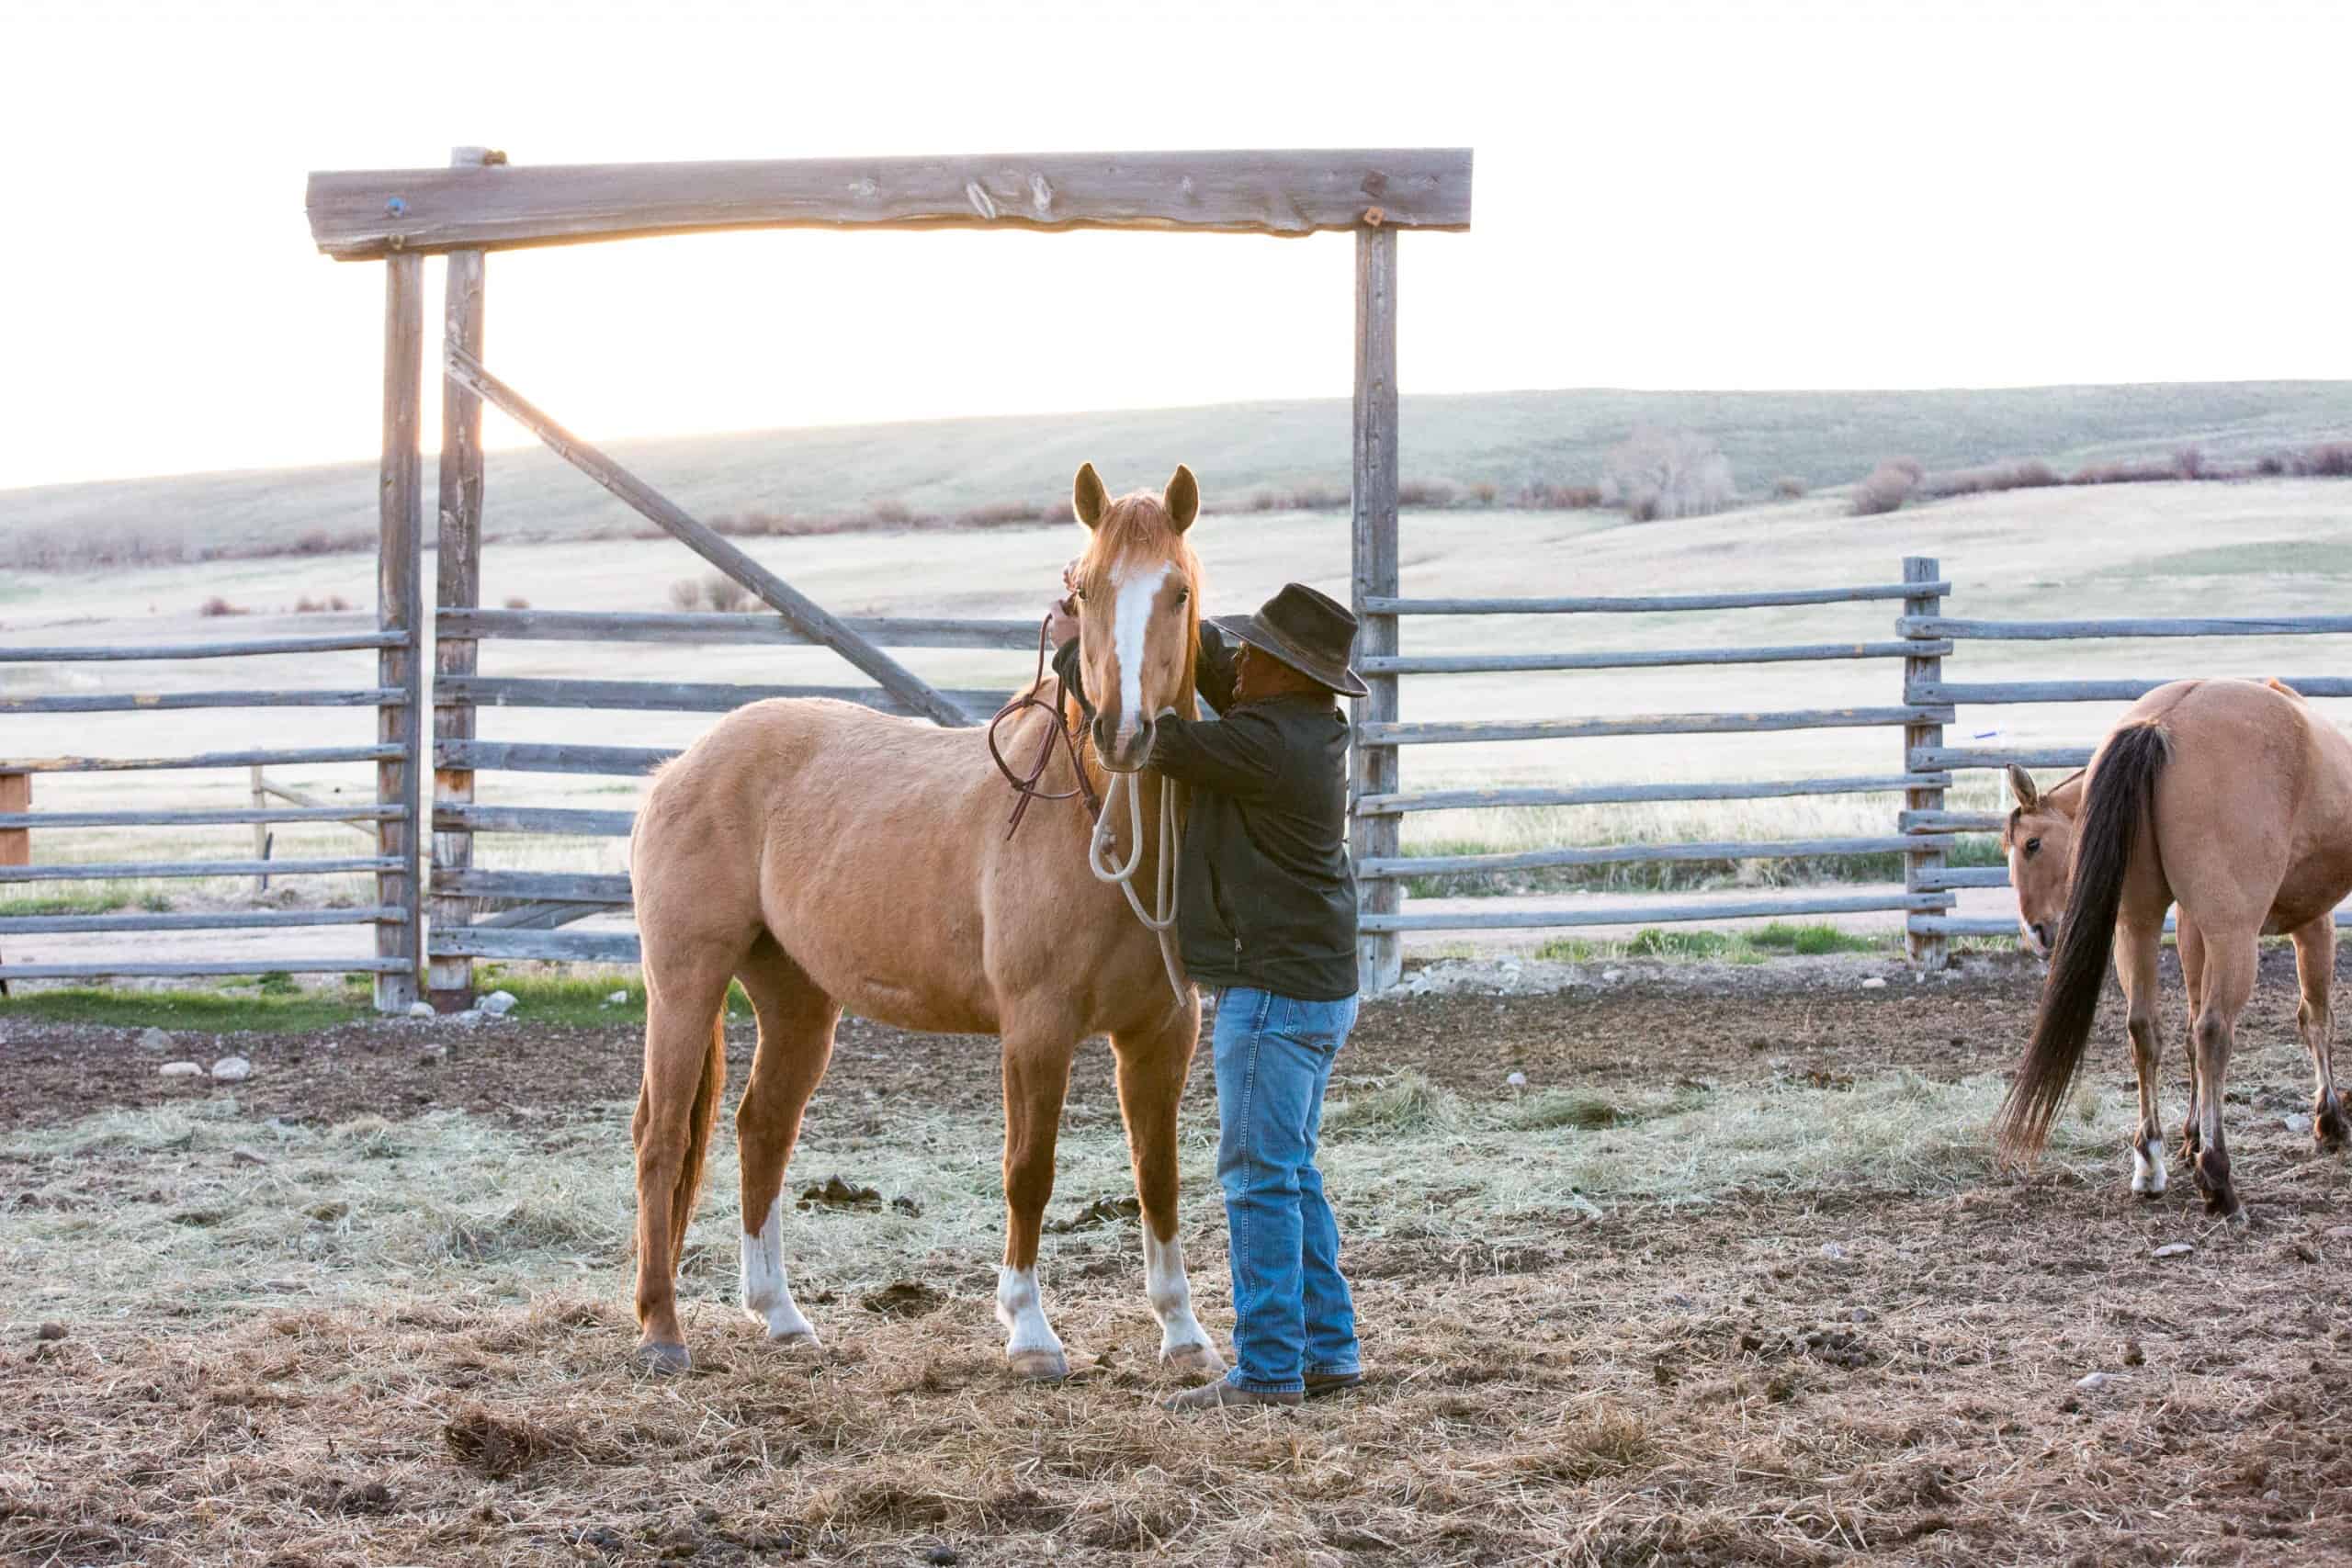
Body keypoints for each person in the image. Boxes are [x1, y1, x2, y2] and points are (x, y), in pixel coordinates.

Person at [1046, 578, 1370, 1411]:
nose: (1243, 662)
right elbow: (1223, 673)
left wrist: (1074, 651)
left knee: (1256, 1175)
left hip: (1271, 1000)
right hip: (1316, 988)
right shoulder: (1308, 729)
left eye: (1259, 653)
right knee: (1292, 1171)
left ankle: (1267, 1368)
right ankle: (1330, 1348)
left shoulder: (1263, 747)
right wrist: (1150, 613)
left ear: (1286, 673)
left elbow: (1147, 739)